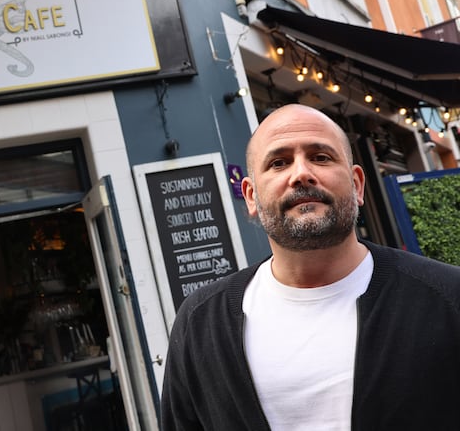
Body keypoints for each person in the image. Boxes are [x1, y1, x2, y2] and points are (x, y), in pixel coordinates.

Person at [160, 104, 460, 430]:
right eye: (278, 163)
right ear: (251, 197)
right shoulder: (200, 322)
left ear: (357, 185)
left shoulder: (448, 298)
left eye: (320, 157)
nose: (300, 173)